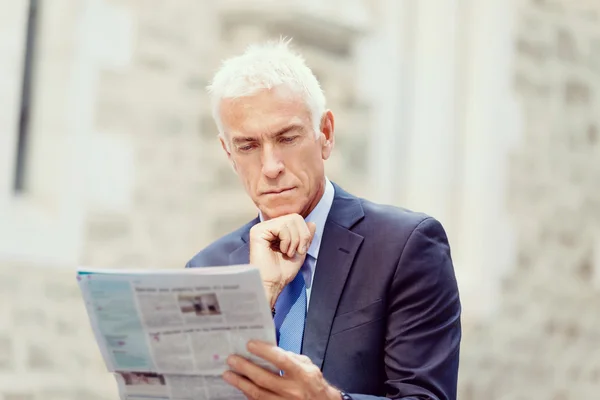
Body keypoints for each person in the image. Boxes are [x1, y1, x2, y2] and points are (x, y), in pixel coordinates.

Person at [185, 38, 461, 400]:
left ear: (325, 135)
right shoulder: (206, 270)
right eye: (248, 146)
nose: (270, 167)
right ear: (228, 153)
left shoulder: (404, 247)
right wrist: (260, 296)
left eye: (287, 138)